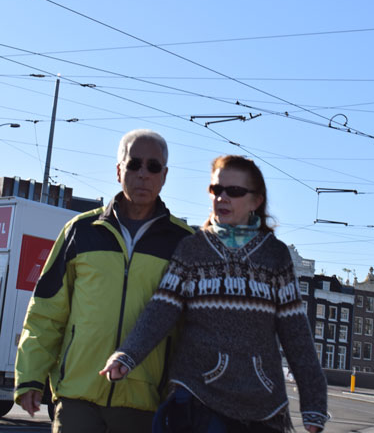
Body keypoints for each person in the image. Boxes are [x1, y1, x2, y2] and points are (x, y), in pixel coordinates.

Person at [100, 155, 328, 432]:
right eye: (216, 189)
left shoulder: (275, 256)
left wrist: (314, 404)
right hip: (196, 399)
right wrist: (127, 355)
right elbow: (161, 310)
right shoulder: (192, 249)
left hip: (262, 406)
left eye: (234, 191)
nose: (222, 198)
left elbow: (296, 334)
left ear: (256, 201)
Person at [14, 129, 193, 433]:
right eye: (134, 164)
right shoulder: (80, 231)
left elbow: (193, 328)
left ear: (164, 176)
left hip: (144, 403)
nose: (143, 174)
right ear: (118, 170)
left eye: (153, 166)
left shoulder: (184, 242)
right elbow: (46, 311)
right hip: (77, 397)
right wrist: (30, 377)